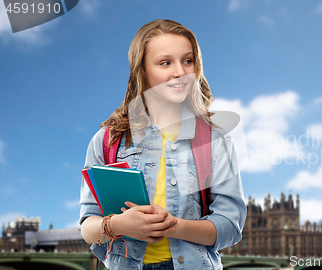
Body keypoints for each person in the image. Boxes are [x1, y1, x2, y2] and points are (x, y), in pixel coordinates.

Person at [79, 19, 246, 270]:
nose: (180, 71)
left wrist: (174, 226)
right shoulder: (107, 140)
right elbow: (87, 227)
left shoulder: (215, 141)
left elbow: (230, 227)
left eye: (187, 60)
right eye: (165, 63)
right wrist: (119, 225)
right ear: (142, 69)